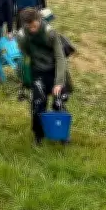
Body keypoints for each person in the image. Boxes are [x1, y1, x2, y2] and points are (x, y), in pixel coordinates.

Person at [17, 8, 72, 145]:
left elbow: (60, 58)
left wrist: (59, 82)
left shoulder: (50, 33)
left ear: (39, 20)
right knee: (37, 104)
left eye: (35, 26)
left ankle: (62, 135)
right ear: (25, 24)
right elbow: (26, 54)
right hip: (38, 72)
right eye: (30, 27)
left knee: (58, 103)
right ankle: (38, 135)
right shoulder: (22, 36)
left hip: (54, 70)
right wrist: (26, 77)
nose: (33, 29)